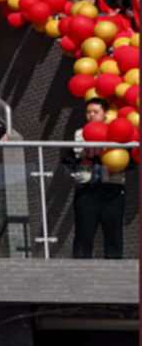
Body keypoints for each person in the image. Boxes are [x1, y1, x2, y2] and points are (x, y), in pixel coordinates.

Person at [69, 98, 126, 259]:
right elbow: (68, 161)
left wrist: (118, 167)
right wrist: (81, 162)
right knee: (83, 229)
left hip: (112, 186)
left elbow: (130, 159)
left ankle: (115, 265)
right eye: (88, 112)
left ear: (106, 114)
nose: (91, 115)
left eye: (96, 111)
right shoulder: (78, 134)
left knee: (113, 229)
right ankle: (80, 265)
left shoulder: (116, 132)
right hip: (86, 186)